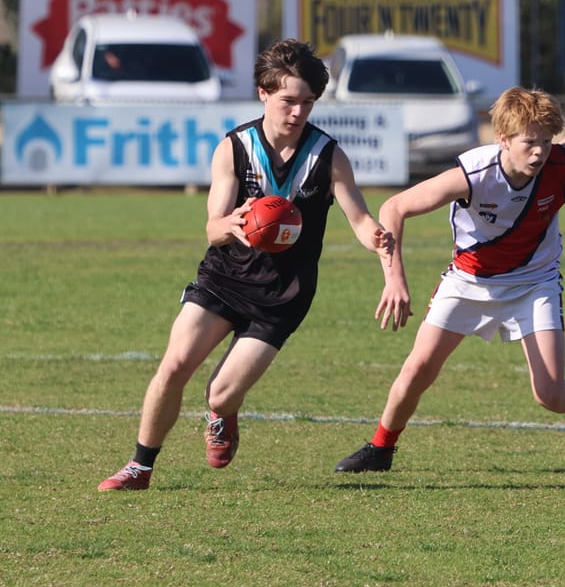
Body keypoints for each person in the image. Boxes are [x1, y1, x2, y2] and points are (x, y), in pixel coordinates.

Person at [98, 38, 397, 491]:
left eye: (307, 102)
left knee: (220, 394)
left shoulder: (328, 156)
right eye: (288, 101)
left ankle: (222, 413)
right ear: (263, 92)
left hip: (283, 294)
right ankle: (139, 467)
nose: (298, 112)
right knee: (174, 366)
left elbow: (359, 219)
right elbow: (212, 228)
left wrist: (376, 239)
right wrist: (233, 224)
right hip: (224, 278)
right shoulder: (234, 148)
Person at [335, 86, 565, 474]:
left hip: (534, 282)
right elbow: (394, 207)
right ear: (503, 139)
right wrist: (394, 278)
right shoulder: (475, 175)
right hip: (469, 281)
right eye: (529, 142)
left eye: (546, 142)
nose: (539, 152)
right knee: (417, 370)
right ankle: (380, 448)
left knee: (549, 394)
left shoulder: (559, 162)